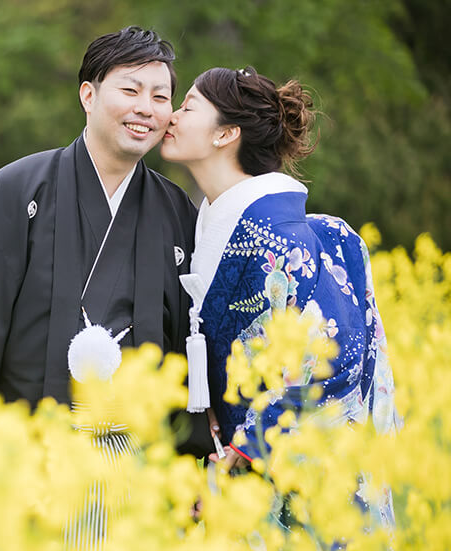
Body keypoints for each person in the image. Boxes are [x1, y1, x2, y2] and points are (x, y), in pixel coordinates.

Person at [0, 26, 204, 452]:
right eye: (130, 90)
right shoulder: (12, 194)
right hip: (26, 457)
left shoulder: (178, 212)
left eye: (160, 97)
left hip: (141, 468)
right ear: (88, 96)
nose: (145, 108)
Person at [159, 66, 400, 468]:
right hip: (244, 468)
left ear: (225, 133)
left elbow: (338, 353)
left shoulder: (277, 236)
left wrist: (251, 444)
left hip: (299, 475)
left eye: (188, 107)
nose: (172, 116)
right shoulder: (211, 226)